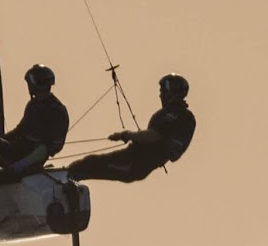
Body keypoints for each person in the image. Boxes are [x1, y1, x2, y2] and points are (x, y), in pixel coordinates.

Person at [67, 74, 196, 184]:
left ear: (171, 93)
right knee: (89, 163)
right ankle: (67, 180)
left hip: (134, 165)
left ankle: (66, 185)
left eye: (163, 92)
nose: (160, 96)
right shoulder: (167, 114)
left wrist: (127, 135)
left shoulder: (181, 117)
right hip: (132, 157)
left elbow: (154, 136)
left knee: (91, 166)